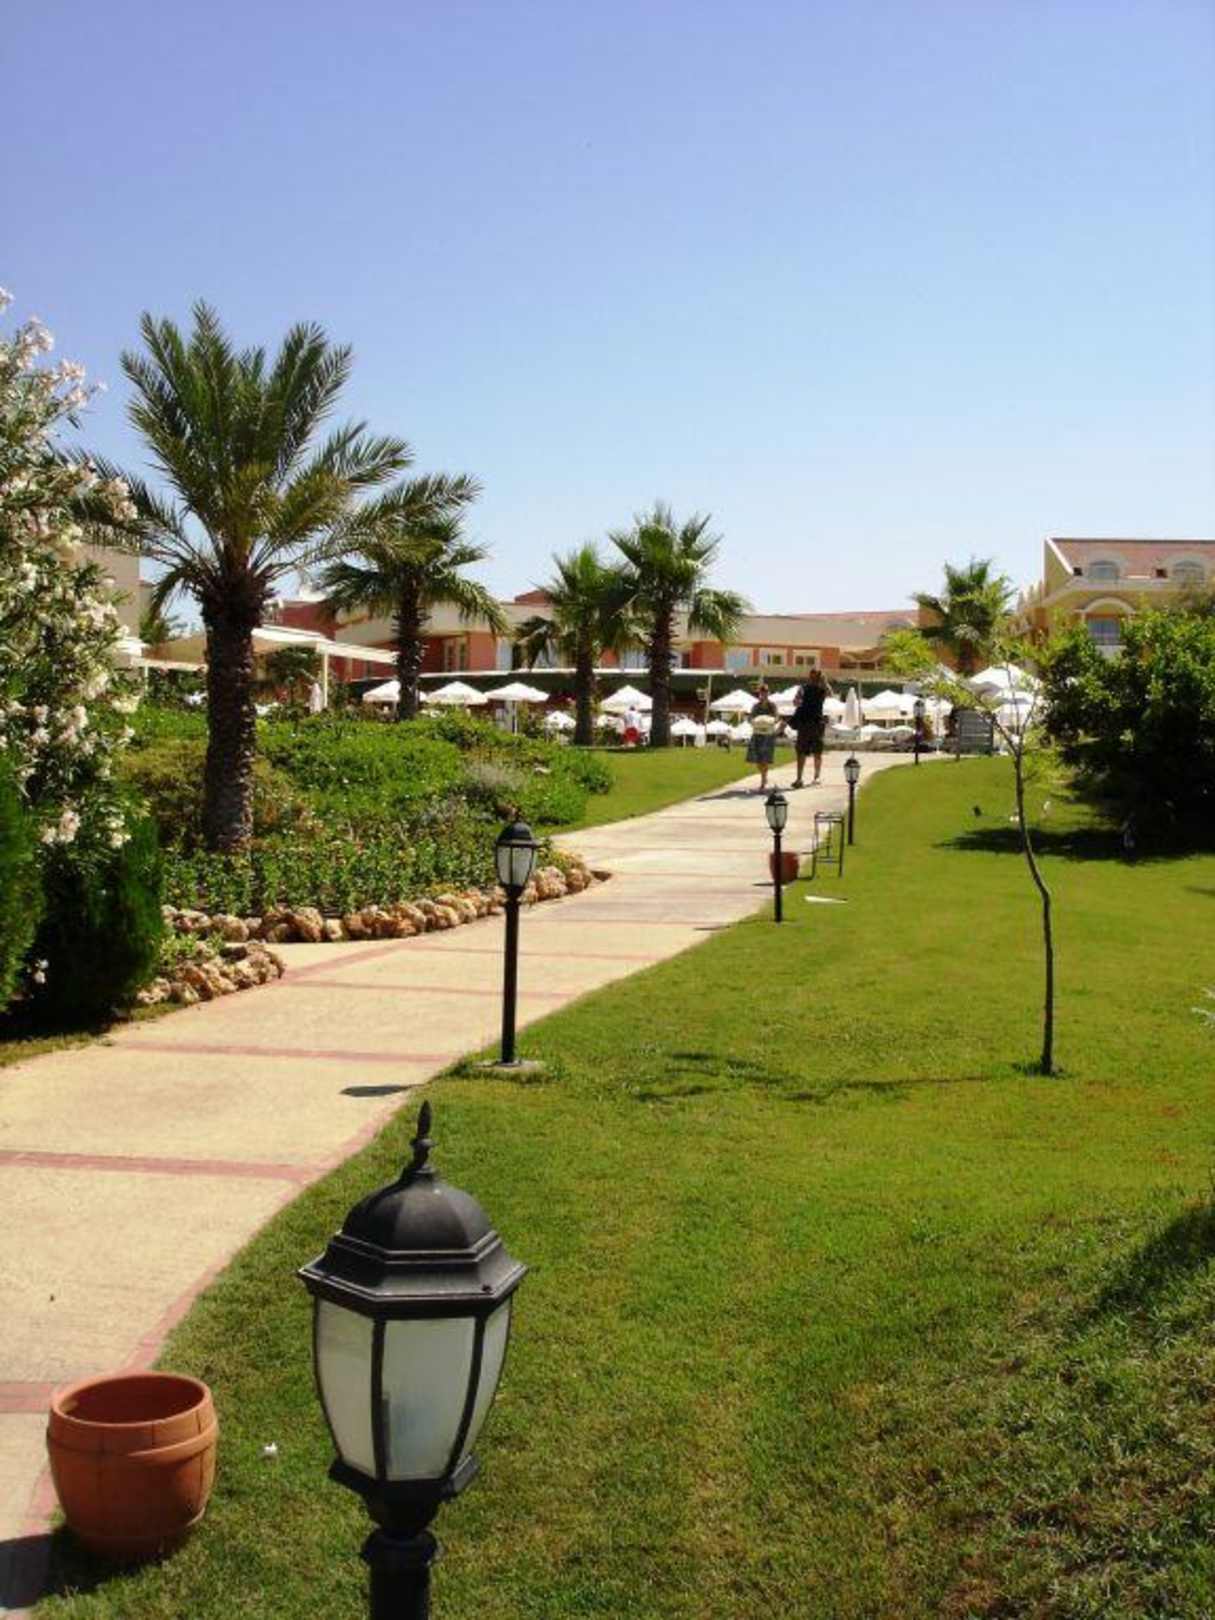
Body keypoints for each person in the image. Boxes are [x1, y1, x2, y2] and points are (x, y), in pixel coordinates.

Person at [790, 668, 834, 787]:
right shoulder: (803, 688)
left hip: (816, 722)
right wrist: (798, 701)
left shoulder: (822, 688)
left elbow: (831, 694)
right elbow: (795, 701)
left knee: (817, 751)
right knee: (801, 751)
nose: (813, 679)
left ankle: (817, 776)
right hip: (804, 722)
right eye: (812, 676)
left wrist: (825, 682)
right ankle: (799, 778)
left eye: (815, 677)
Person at [745, 683, 781, 791]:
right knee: (757, 760)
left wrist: (772, 721)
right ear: (760, 693)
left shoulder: (772, 706)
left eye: (765, 692)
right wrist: (752, 720)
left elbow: (777, 717)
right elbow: (750, 717)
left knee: (764, 759)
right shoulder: (756, 706)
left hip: (768, 735)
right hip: (757, 734)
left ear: (768, 693)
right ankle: (764, 777)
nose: (764, 694)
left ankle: (763, 781)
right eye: (762, 692)